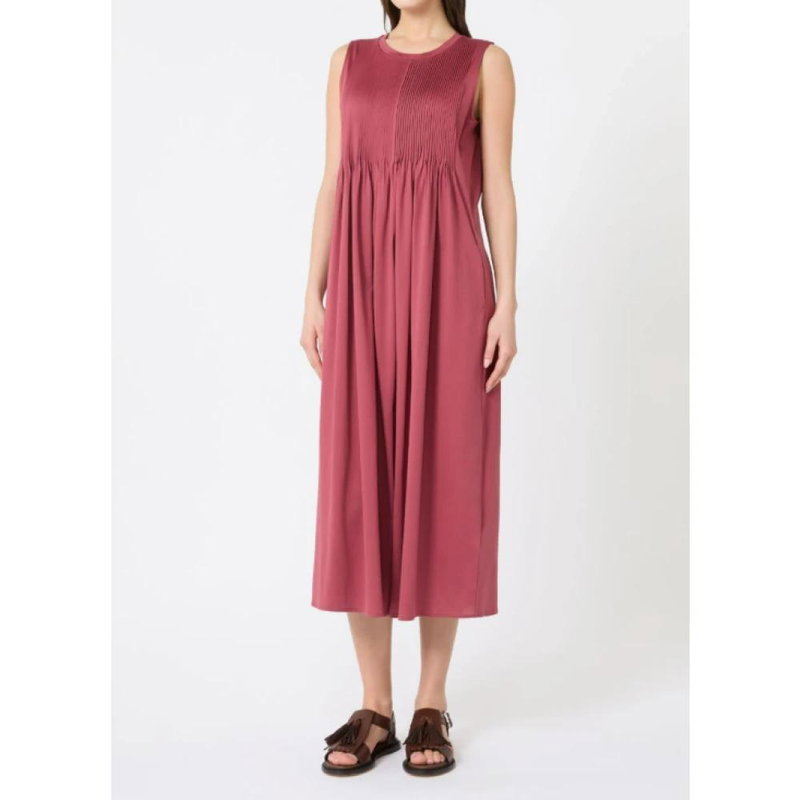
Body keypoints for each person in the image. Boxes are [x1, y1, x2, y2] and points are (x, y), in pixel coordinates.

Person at [300, 0, 517, 776]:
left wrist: (508, 303)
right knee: (361, 483)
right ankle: (375, 706)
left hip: (448, 288)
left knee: (441, 481)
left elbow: (497, 187)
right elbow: (334, 180)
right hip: (361, 290)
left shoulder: (484, 63)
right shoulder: (347, 62)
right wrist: (313, 293)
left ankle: (430, 700)